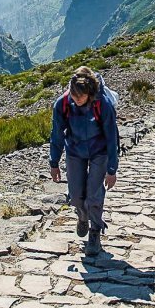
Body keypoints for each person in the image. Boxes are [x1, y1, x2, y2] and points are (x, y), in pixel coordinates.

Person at [49, 66, 119, 255]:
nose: (76, 100)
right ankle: (82, 217)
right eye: (73, 96)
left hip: (99, 152)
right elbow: (56, 134)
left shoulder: (102, 104)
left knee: (94, 194)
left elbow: (113, 137)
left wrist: (112, 169)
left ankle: (95, 233)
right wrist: (53, 162)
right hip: (75, 151)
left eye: (80, 97)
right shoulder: (62, 104)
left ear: (89, 93)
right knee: (76, 194)